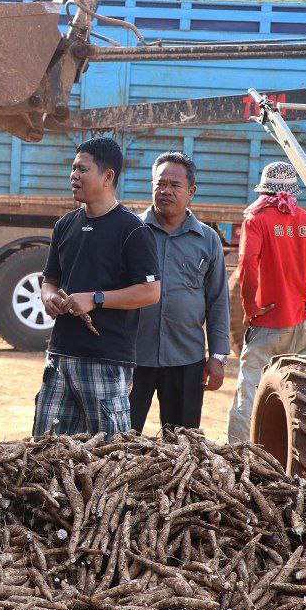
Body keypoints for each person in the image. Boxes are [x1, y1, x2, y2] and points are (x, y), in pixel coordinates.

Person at [33, 137, 160, 439]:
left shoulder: (132, 229)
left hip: (106, 361)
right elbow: (50, 279)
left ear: (107, 177)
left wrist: (96, 299)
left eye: (82, 169)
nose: (73, 176)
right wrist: (49, 296)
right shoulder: (65, 225)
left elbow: (150, 292)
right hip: (60, 357)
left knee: (109, 454)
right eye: (73, 169)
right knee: (45, 451)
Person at [226, 161, 306, 442]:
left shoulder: (256, 220)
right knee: (301, 399)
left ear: (264, 190)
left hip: (268, 324)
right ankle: (294, 459)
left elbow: (247, 264)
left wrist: (250, 307)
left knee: (250, 392)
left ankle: (238, 457)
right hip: (302, 325)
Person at [130, 151, 230, 433]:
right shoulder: (132, 231)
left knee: (182, 444)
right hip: (133, 356)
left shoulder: (207, 240)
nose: (166, 191)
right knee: (121, 440)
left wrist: (218, 357)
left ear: (191, 192)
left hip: (186, 359)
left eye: (175, 185)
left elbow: (218, 301)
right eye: (160, 184)